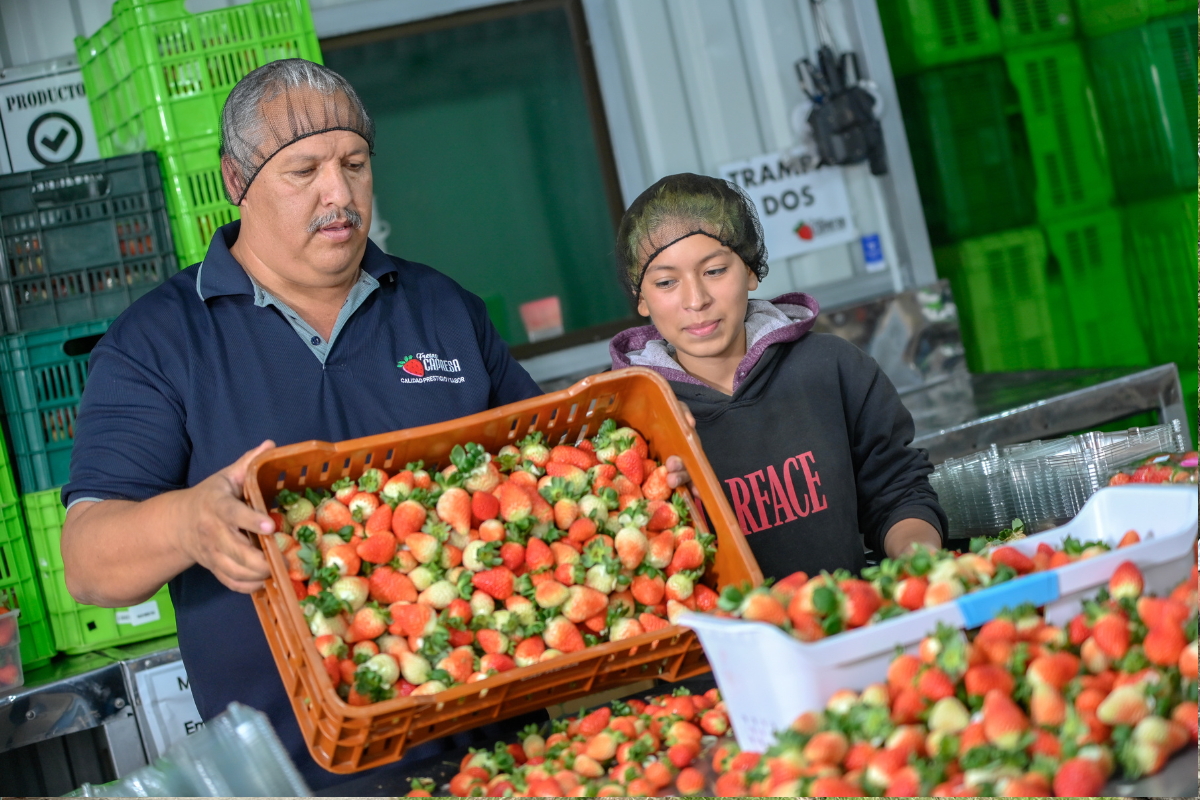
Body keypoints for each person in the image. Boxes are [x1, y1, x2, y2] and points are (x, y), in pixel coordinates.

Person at [58, 59, 688, 790]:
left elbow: (550, 478)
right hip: (302, 778)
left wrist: (640, 480)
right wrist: (187, 524)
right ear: (236, 181)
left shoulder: (442, 308)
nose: (339, 194)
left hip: (502, 758)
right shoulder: (160, 341)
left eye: (354, 164)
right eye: (304, 171)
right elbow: (87, 563)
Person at [609, 173, 947, 580]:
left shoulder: (832, 367)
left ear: (751, 270)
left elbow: (897, 491)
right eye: (666, 282)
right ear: (641, 298)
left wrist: (919, 563)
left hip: (846, 612)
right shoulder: (627, 421)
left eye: (714, 271)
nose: (696, 300)